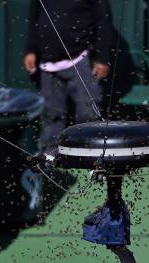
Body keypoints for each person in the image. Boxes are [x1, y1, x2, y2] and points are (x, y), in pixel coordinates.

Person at [23, 0, 113, 157]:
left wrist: (103, 58)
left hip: (81, 58)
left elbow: (104, 21)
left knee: (89, 112)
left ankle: (93, 157)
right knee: (52, 114)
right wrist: (31, 49)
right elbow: (34, 19)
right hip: (48, 62)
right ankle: (51, 157)